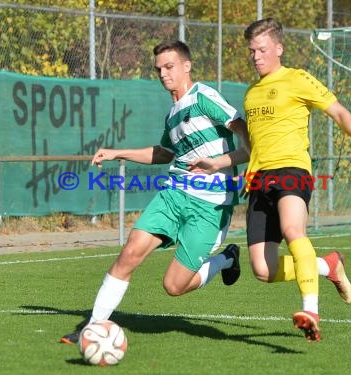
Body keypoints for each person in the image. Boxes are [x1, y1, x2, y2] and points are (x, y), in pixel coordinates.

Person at [60, 40, 249, 344]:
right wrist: (117, 153)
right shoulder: (173, 113)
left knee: (174, 286)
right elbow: (164, 154)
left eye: (169, 66)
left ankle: (227, 258)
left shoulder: (203, 97)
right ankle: (92, 326)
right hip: (174, 194)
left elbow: (245, 135)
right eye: (158, 69)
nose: (162, 74)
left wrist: (219, 163)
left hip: (210, 206)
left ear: (187, 66)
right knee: (130, 252)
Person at [241, 18, 351, 342]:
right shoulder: (251, 94)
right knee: (263, 271)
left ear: (279, 48)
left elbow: (338, 112)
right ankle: (328, 266)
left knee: (295, 231)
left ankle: (311, 309)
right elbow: (253, 145)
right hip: (258, 181)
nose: (256, 56)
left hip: (293, 171)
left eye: (262, 49)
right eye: (252, 51)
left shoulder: (297, 79)